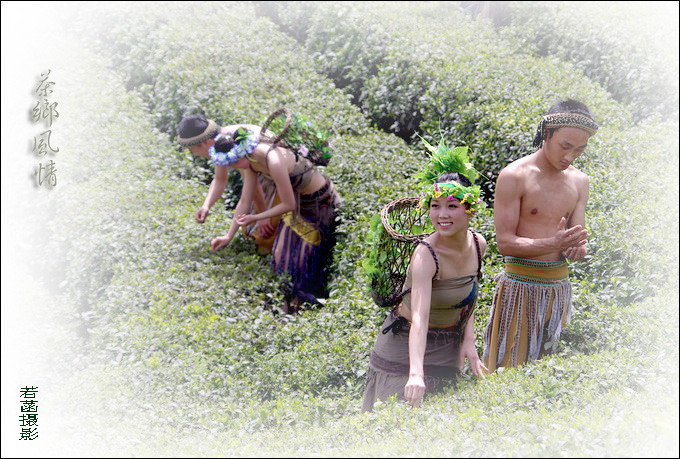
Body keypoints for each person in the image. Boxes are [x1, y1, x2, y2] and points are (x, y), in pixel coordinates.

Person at [362, 143, 488, 411]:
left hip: (448, 344)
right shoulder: (425, 255)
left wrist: (469, 343)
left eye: (452, 206)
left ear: (470, 210)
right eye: (435, 206)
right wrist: (416, 373)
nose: (442, 215)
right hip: (405, 345)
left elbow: (469, 298)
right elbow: (420, 318)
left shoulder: (479, 244)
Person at [177, 114, 340, 312]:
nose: (234, 168)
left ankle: (307, 304)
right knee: (282, 254)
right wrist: (228, 234)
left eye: (234, 164)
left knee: (298, 256)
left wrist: (258, 217)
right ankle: (290, 304)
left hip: (317, 202)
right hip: (297, 199)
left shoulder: (271, 159)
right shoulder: (247, 158)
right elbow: (245, 200)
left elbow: (286, 203)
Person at [483, 99, 599, 372]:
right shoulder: (514, 176)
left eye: (580, 149)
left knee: (549, 375)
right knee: (508, 371)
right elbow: (505, 243)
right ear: (547, 134)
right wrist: (553, 243)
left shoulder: (580, 181)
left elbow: (577, 239)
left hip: (558, 290)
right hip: (520, 289)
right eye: (565, 146)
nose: (570, 156)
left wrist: (576, 249)